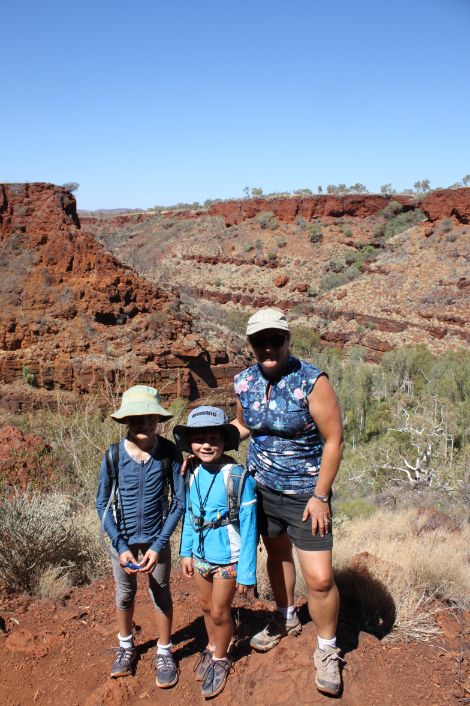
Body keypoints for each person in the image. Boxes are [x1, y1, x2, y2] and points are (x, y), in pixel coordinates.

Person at [231, 308, 345, 696]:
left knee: (321, 577)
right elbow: (245, 424)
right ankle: (284, 617)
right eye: (260, 341)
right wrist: (207, 441)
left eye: (275, 339)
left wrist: (320, 496)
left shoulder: (311, 381)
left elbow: (334, 440)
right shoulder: (244, 381)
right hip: (260, 488)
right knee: (277, 554)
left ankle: (328, 649)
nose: (268, 347)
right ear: (250, 345)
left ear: (287, 340)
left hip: (305, 495)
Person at [96, 385, 185, 689]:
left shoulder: (169, 452)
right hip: (121, 543)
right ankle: (125, 646)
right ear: (126, 421)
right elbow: (102, 503)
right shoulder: (112, 455)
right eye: (135, 418)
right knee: (124, 594)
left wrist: (159, 545)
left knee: (160, 591)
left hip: (156, 541)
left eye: (149, 418)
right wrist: (119, 546)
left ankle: (163, 650)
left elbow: (179, 502)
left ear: (157, 419)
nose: (143, 424)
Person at [174, 406, 257, 699]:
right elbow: (190, 517)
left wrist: (247, 571)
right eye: (200, 439)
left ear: (225, 441)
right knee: (206, 607)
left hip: (228, 558)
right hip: (199, 556)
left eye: (214, 438)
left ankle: (221, 658)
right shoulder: (193, 472)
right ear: (190, 443)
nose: (207, 444)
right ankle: (212, 647)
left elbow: (248, 527)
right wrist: (185, 552)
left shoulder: (236, 476)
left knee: (221, 611)